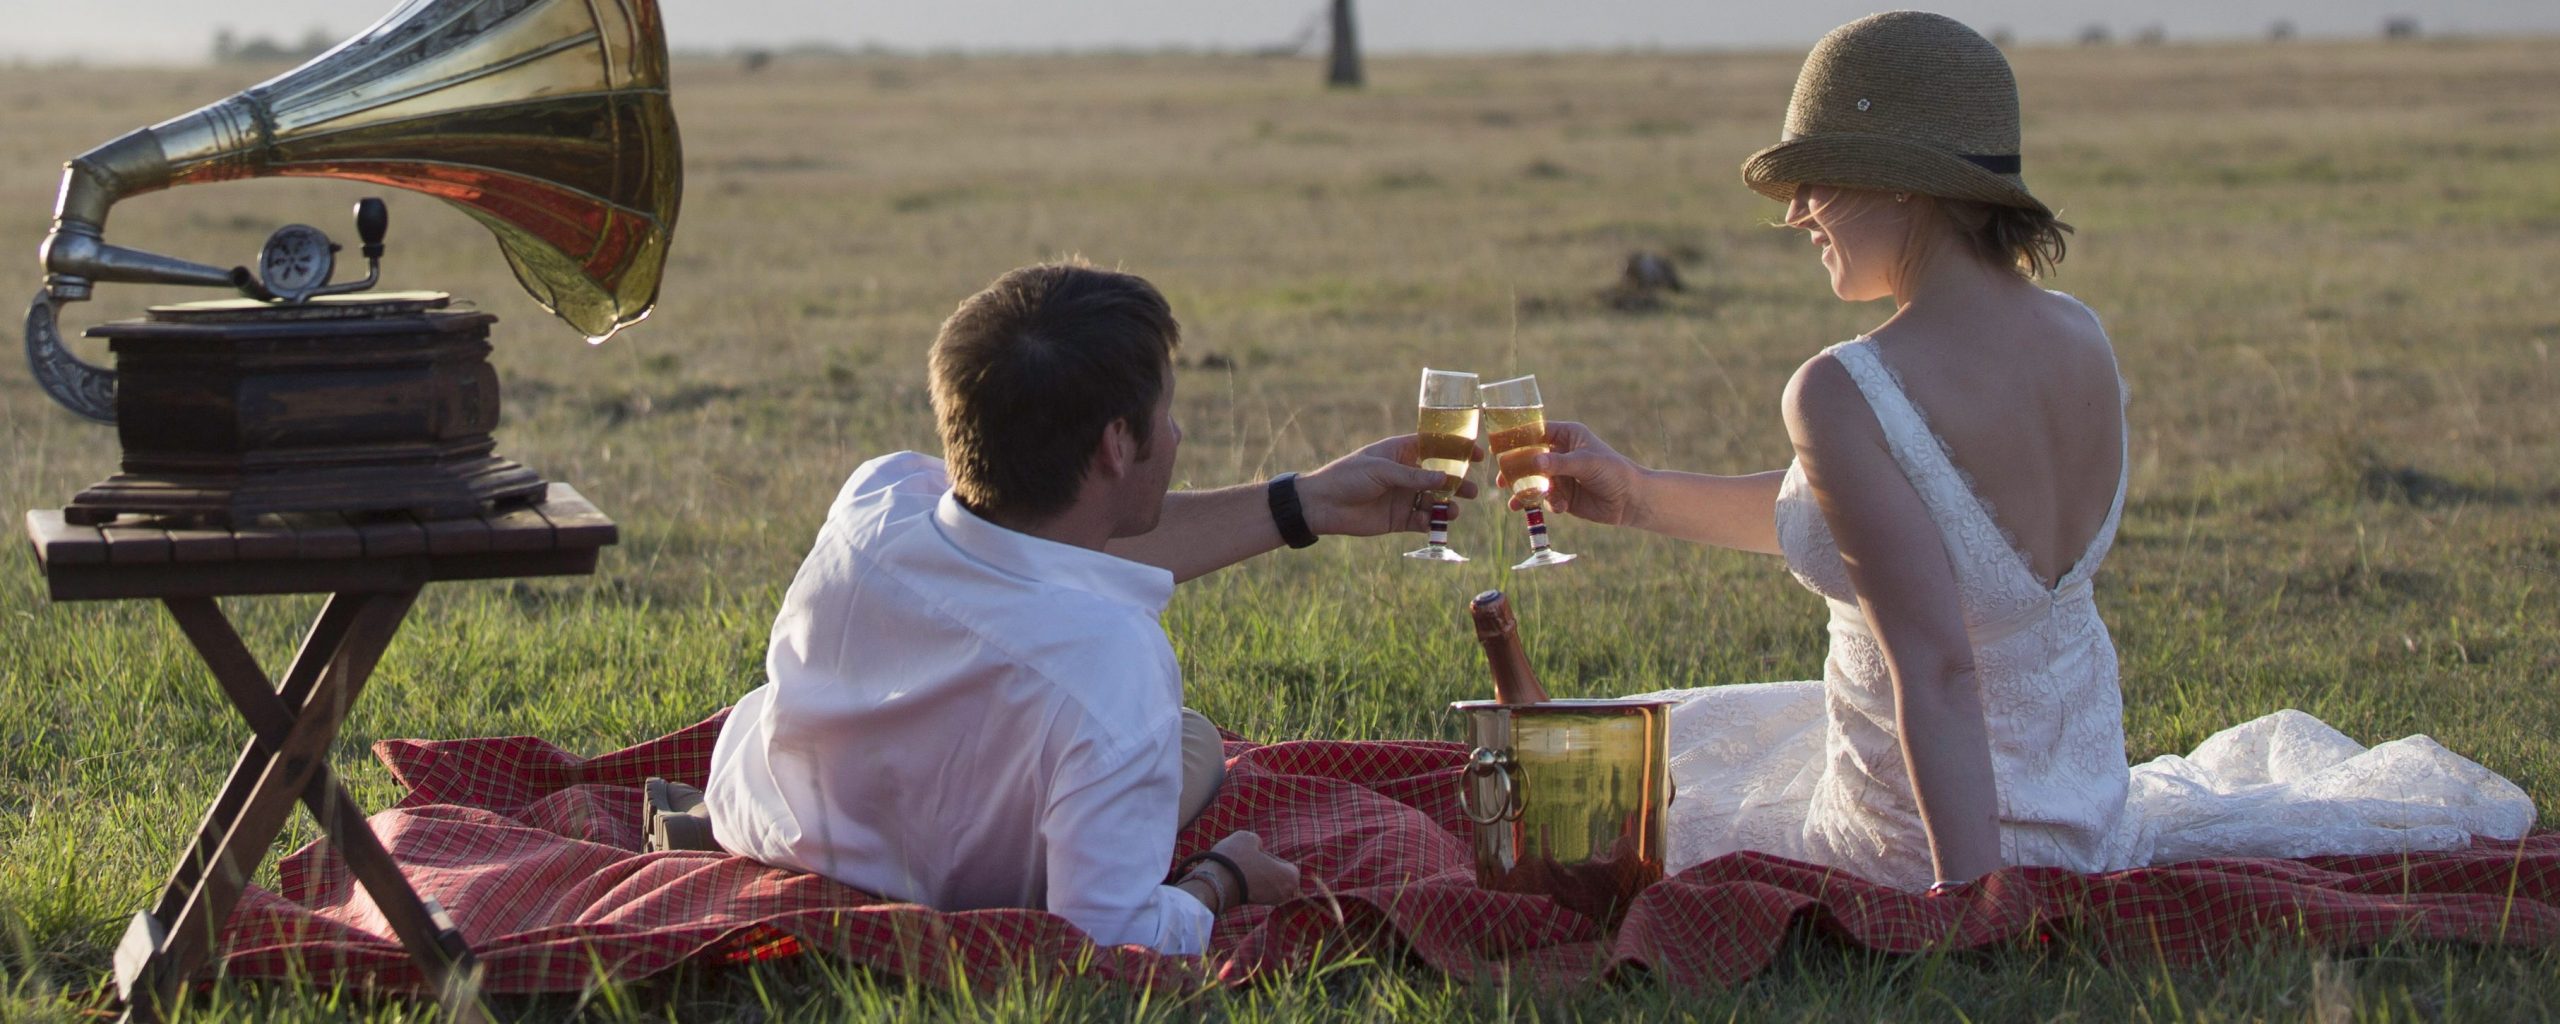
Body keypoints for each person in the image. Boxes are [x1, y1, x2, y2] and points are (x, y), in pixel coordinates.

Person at [1507, 11, 2532, 892]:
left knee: (1631, 806)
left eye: (1813, 181)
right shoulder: (2079, 337)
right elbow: (1903, 534)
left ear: (1898, 184)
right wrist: (1636, 493)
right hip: (2085, 810)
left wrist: (1970, 901)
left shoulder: (1839, 387)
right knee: (1735, 734)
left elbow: (1939, 668)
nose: (1793, 215)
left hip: (1921, 838)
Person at [676, 261, 1473, 954]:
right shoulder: (1109, 662)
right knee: (1187, 745)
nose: (1181, 430)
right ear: (1117, 444)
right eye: (1166, 413)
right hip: (949, 874)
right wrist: (1223, 881)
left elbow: (1044, 549)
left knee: (1162, 742)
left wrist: (1308, 503)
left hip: (772, 812)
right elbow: (1108, 938)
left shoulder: (878, 497)